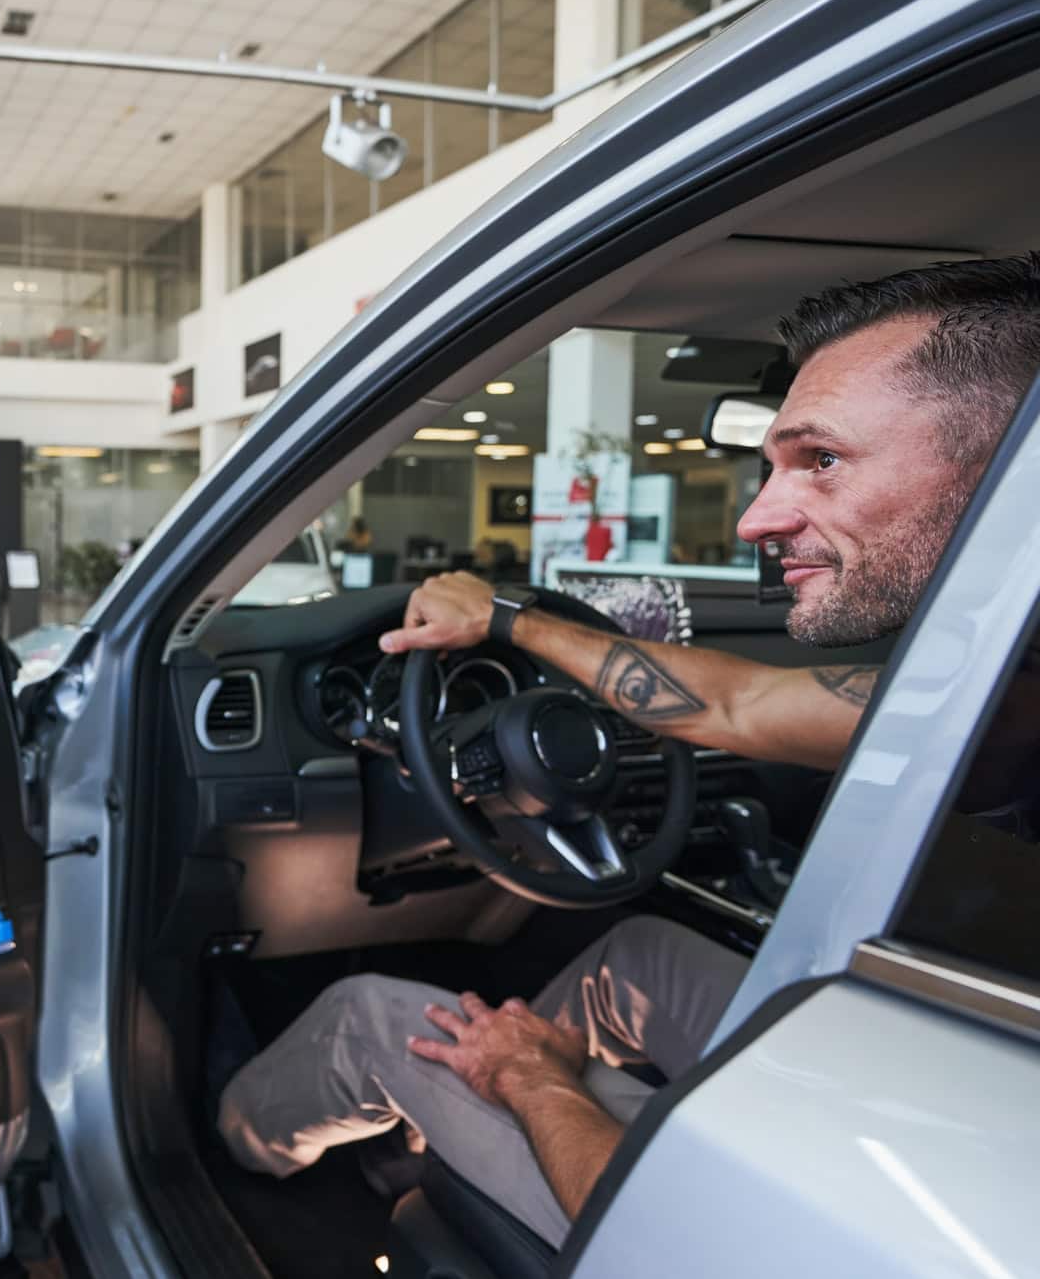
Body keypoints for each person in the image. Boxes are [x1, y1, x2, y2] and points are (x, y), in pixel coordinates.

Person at [217, 255, 1040, 1247]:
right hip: (959, 1091)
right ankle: (426, 1147)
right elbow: (733, 707)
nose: (755, 517)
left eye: (818, 458)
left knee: (364, 1016)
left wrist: (530, 1079)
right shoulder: (996, 705)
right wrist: (508, 620)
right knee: (638, 957)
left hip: (882, 1211)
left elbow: (703, 1239)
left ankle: (230, 1169)